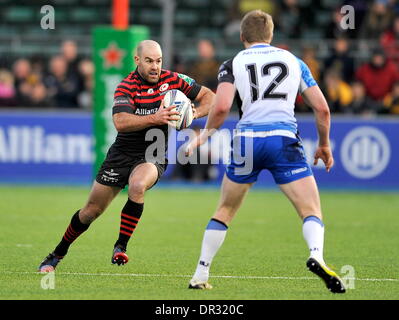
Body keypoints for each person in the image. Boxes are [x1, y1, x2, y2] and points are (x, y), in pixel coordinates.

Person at [185, 10, 346, 293]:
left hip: (247, 142)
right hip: (283, 139)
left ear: (242, 36)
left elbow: (221, 107)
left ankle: (200, 272)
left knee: (225, 210)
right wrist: (323, 143)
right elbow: (322, 108)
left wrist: (205, 135)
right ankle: (316, 255)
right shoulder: (293, 61)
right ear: (271, 35)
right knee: (310, 209)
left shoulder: (232, 63)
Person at [38, 40, 215, 272]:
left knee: (138, 185)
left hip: (153, 153)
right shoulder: (126, 87)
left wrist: (193, 112)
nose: (155, 66)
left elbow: (210, 97)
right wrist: (156, 117)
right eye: (150, 61)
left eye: (159, 61)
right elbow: (121, 122)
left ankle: (120, 246)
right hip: (122, 154)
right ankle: (57, 254)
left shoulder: (173, 80)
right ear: (137, 60)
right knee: (90, 211)